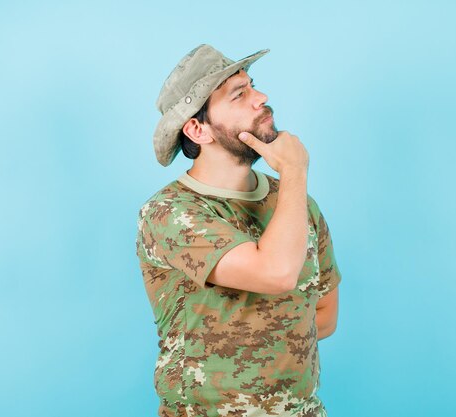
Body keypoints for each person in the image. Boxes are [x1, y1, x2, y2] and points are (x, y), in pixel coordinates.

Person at [136, 44, 342, 417]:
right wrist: (295, 170)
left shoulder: (295, 203)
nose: (261, 99)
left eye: (253, 86)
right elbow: (277, 273)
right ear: (197, 129)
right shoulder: (169, 213)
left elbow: (326, 311)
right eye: (239, 94)